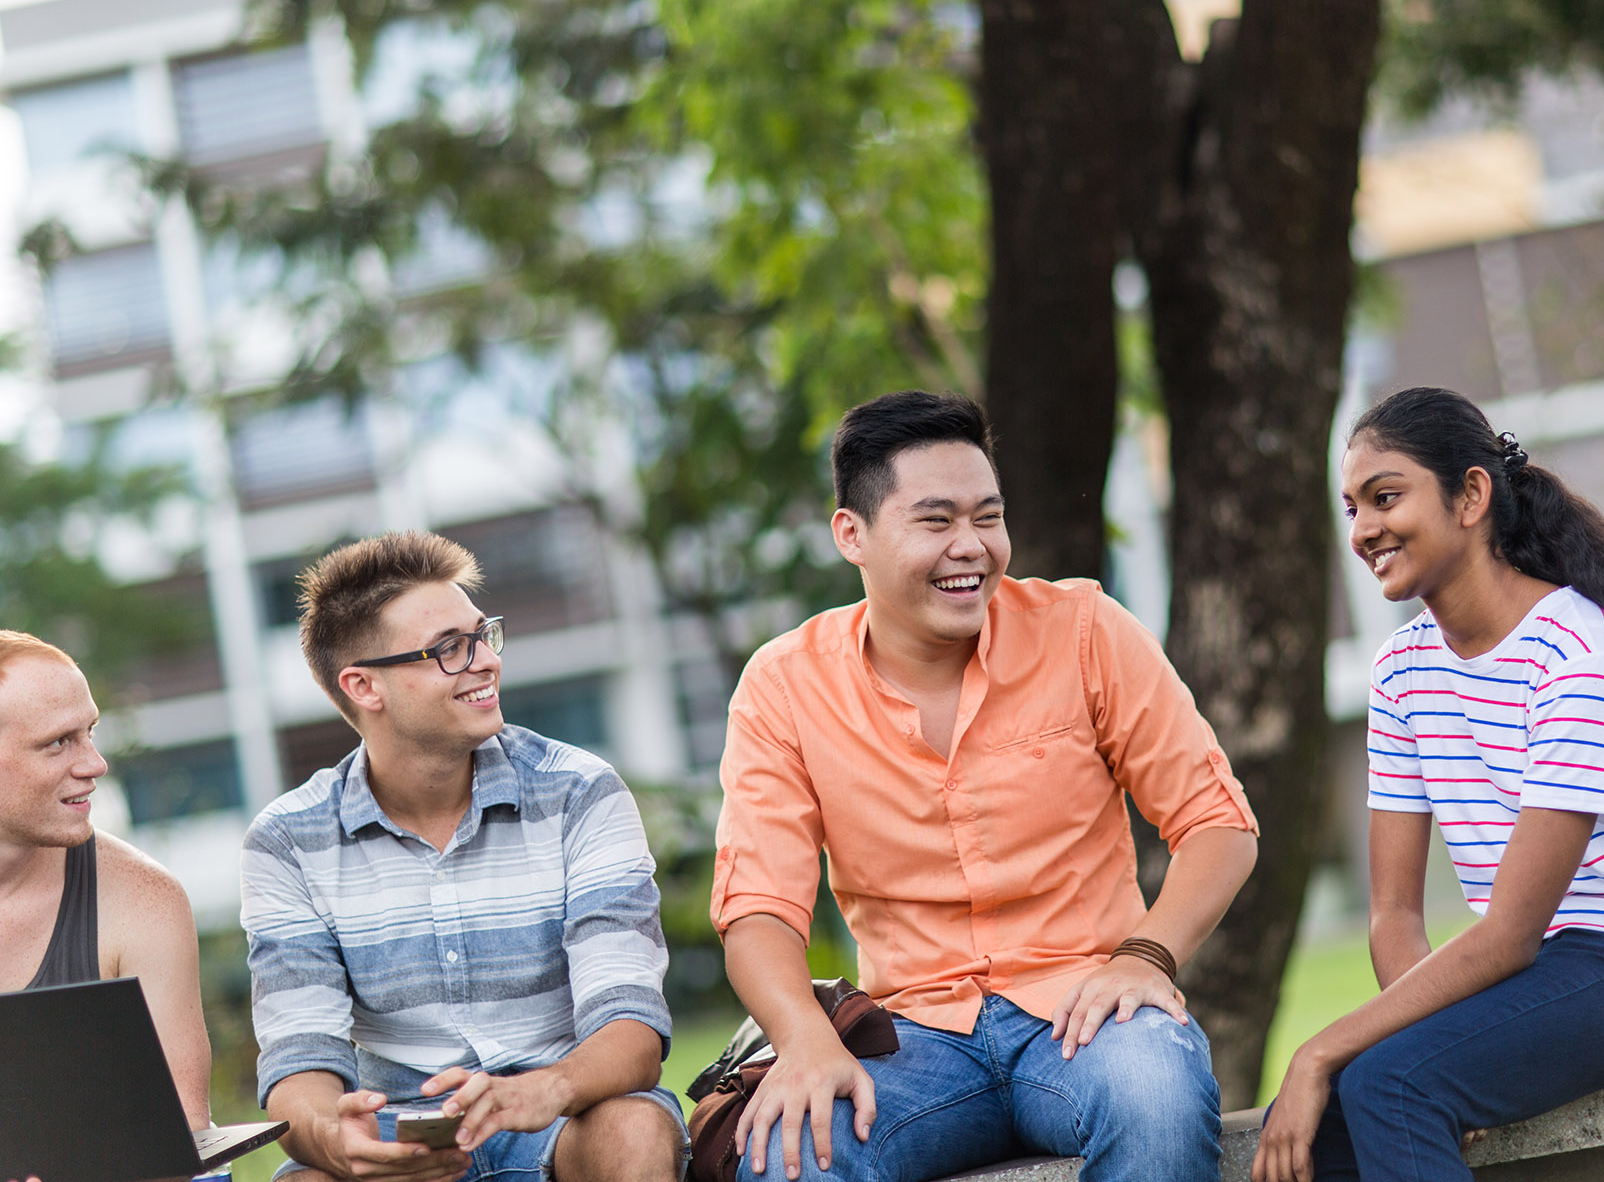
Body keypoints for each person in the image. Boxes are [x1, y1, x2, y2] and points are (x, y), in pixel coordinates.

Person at [712, 390, 1260, 1182]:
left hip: (1088, 1012)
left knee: (1155, 1096)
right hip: (913, 1040)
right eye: (935, 521)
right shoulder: (784, 685)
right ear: (851, 535)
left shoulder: (1083, 631)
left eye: (987, 517)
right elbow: (758, 907)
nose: (971, 546)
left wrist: (1146, 957)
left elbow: (1219, 823)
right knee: (786, 1157)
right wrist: (803, 1041)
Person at [1254, 386, 1604, 1182]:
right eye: (1351, 508)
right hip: (1541, 965)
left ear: (1471, 494)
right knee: (1314, 1122)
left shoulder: (1574, 653)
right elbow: (1393, 911)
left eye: (1385, 497)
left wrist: (1321, 1048)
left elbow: (1512, 930)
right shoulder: (1402, 672)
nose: (1364, 529)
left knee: (1388, 1082)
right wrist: (1422, 1038)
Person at [241, 532, 684, 1182]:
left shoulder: (580, 791)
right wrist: (340, 1141)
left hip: (562, 1115)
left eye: (483, 636)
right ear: (365, 686)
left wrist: (546, 1090)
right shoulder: (287, 840)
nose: (485, 662)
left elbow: (631, 1024)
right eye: (450, 649)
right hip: (403, 1135)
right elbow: (299, 1057)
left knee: (634, 1127)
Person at [0, 630, 213, 1131]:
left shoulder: (142, 901)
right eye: (58, 742)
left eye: (90, 731)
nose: (95, 764)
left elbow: (179, 1137)